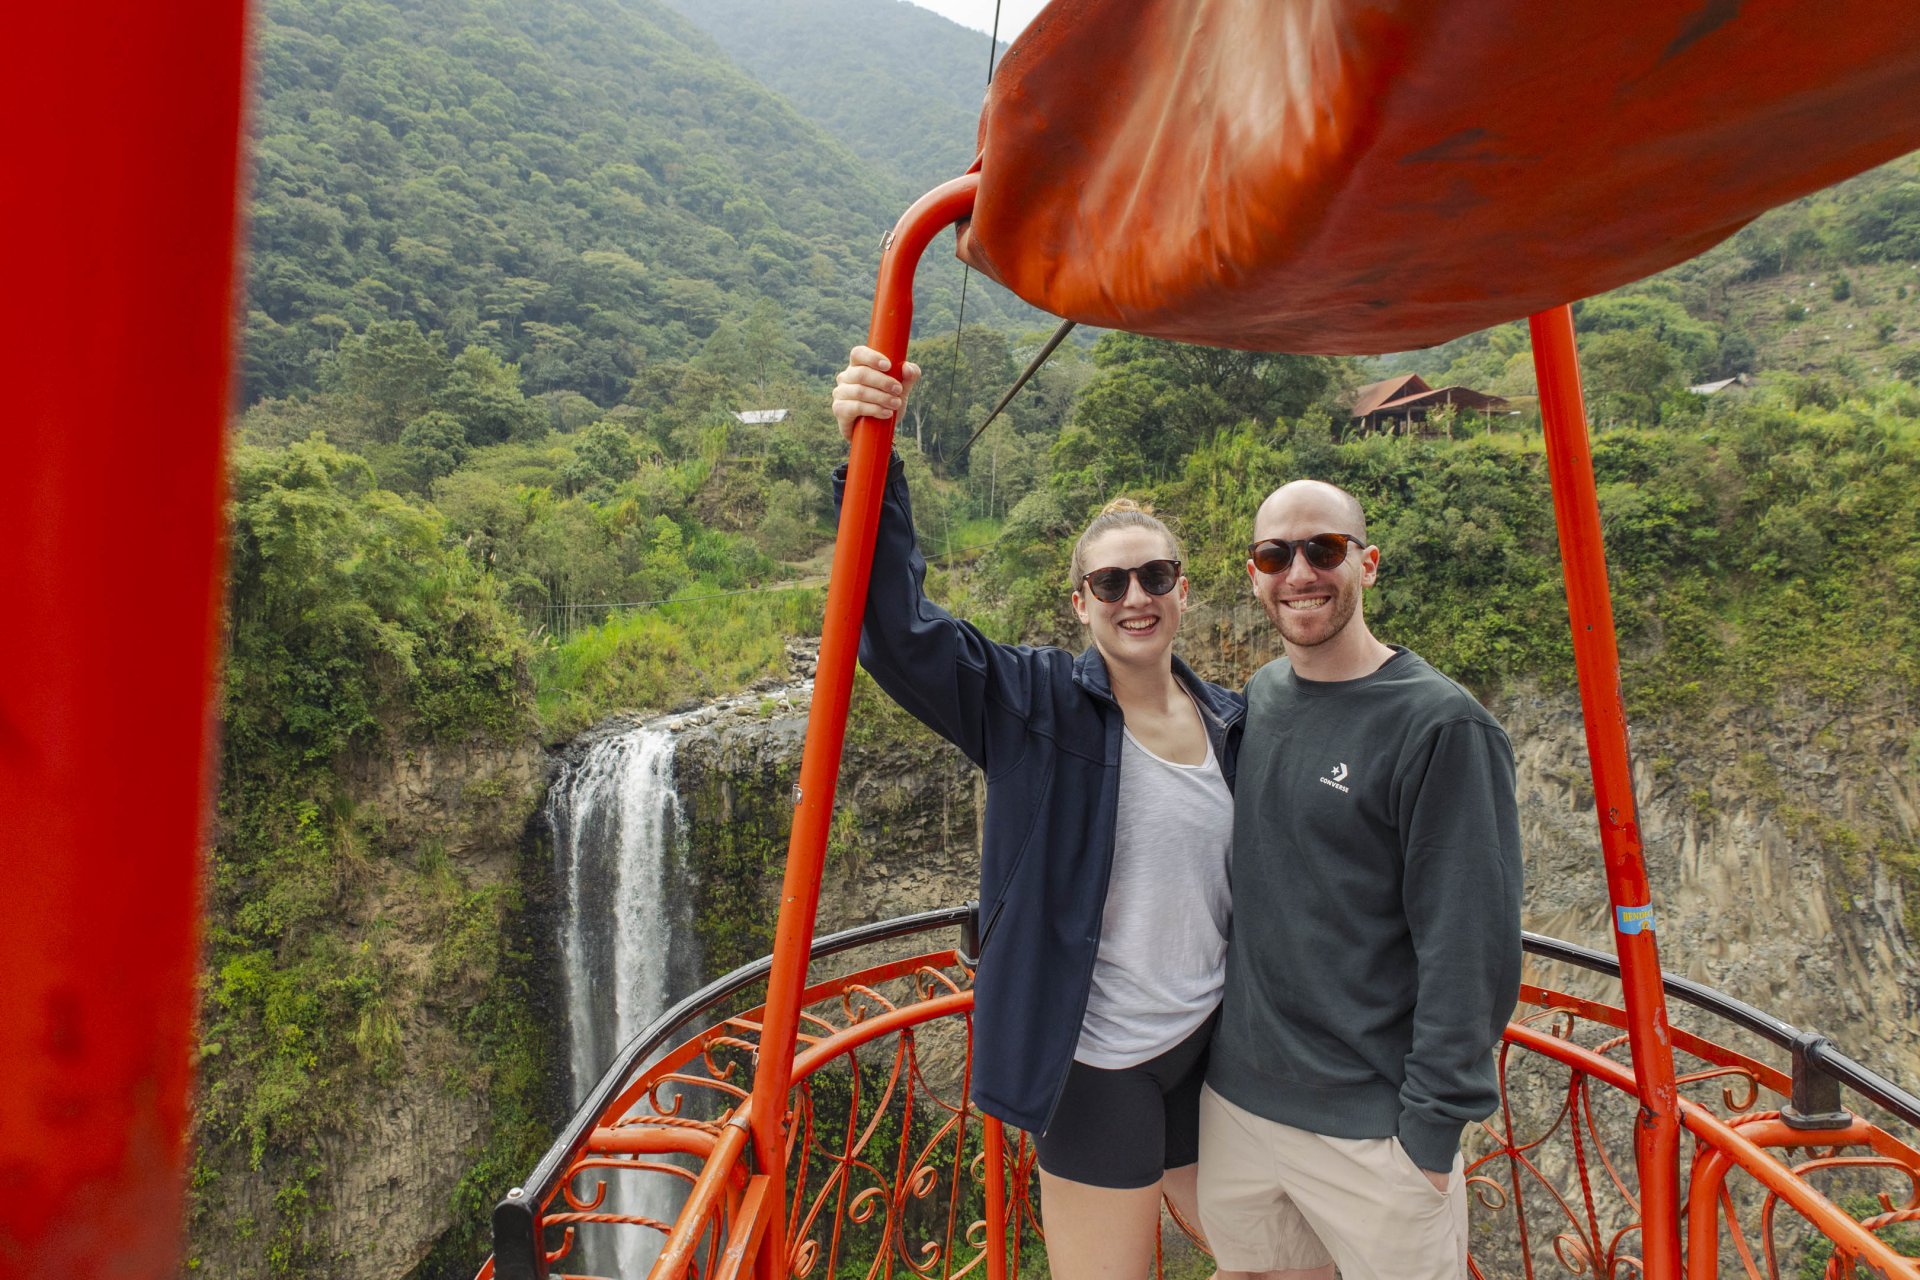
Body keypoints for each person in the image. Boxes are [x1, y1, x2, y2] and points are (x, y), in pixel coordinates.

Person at [830, 347, 1331, 1280]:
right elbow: (895, 630)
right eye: (1111, 583)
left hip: (1214, 1046)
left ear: (1183, 587)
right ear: (1080, 603)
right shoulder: (1032, 705)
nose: (1134, 597)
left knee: (1290, 1265)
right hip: (1100, 1066)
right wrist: (873, 449)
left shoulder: (1234, 721)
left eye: (1153, 576)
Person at [1196, 479, 1524, 1280]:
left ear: (1367, 563)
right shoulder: (1264, 697)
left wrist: (1430, 1138)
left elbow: (1469, 946)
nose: (1299, 571)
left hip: (1371, 1131)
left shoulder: (1440, 726)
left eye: (1324, 549)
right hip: (1239, 1104)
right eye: (1276, 554)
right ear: (1253, 575)